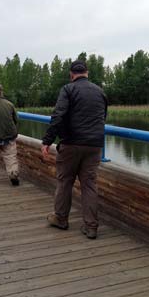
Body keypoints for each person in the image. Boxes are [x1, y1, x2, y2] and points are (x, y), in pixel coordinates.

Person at [41, 60, 107, 239]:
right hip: (94, 145)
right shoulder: (100, 91)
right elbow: (103, 117)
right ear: (87, 73)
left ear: (71, 74)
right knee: (89, 185)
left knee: (65, 181)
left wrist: (47, 141)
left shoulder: (68, 89)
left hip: (71, 143)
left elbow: (58, 115)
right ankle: (91, 226)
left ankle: (61, 219)